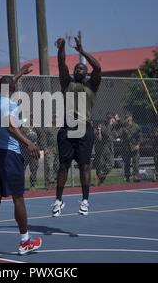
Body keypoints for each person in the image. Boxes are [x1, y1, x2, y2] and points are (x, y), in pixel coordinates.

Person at [0, 63, 42, 262]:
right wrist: (28, 142)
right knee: (18, 198)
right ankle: (25, 241)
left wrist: (20, 73)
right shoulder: (11, 105)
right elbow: (10, 127)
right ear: (12, 90)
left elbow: (6, 84)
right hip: (8, 155)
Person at [52, 37, 101, 217]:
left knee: (84, 166)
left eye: (81, 68)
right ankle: (58, 200)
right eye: (76, 68)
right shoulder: (67, 83)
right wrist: (62, 47)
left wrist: (82, 51)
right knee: (63, 166)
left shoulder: (92, 86)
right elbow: (61, 63)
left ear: (86, 73)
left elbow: (98, 67)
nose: (78, 69)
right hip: (67, 128)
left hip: (84, 128)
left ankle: (85, 200)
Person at [93, 114, 117, 186]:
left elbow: (115, 135)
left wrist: (114, 124)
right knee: (101, 165)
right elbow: (106, 134)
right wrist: (111, 125)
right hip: (102, 149)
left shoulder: (112, 127)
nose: (110, 120)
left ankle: (99, 176)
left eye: (111, 118)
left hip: (109, 148)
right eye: (109, 118)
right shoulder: (102, 125)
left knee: (111, 164)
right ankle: (100, 182)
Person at [119, 114, 142, 183]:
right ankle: (127, 177)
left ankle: (136, 176)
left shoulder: (136, 126)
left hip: (134, 147)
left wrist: (138, 145)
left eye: (128, 117)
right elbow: (119, 134)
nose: (127, 119)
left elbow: (140, 137)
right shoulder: (124, 127)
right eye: (126, 118)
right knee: (127, 163)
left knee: (135, 162)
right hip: (126, 148)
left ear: (131, 118)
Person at [20, 116, 40, 189]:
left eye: (32, 118)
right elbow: (20, 137)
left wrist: (39, 148)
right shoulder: (23, 128)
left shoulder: (36, 128)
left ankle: (33, 184)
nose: (31, 120)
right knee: (22, 168)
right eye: (30, 118)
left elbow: (41, 137)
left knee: (34, 167)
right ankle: (20, 184)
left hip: (34, 151)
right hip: (25, 151)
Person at [42, 115, 59, 190]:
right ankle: (49, 182)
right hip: (50, 149)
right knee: (50, 166)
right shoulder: (48, 128)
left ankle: (55, 182)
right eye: (54, 118)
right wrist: (45, 149)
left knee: (57, 166)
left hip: (58, 149)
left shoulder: (59, 128)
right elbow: (44, 139)